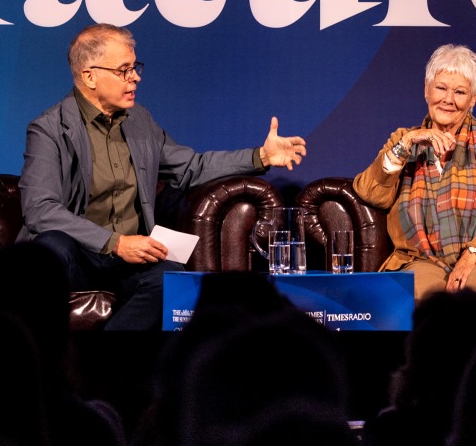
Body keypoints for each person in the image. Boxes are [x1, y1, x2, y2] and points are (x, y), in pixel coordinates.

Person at [18, 23, 307, 330]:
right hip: (78, 253)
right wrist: (116, 243)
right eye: (124, 70)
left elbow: (191, 167)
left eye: (135, 67)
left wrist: (260, 156)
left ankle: (102, 355)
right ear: (90, 76)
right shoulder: (49, 129)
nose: (135, 78)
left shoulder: (139, 120)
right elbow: (40, 209)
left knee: (169, 278)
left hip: (127, 259)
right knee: (51, 247)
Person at [352, 44, 476, 311]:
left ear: (474, 98)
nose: (448, 99)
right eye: (441, 88)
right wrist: (407, 144)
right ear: (426, 90)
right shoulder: (404, 140)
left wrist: (473, 254)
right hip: (422, 258)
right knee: (422, 300)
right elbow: (371, 192)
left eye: (460, 92)